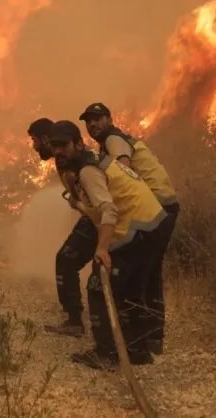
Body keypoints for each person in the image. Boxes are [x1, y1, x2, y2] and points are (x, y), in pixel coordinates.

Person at [48, 120, 166, 369]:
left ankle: (106, 354)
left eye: (64, 146)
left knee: (98, 286)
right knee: (129, 291)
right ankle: (138, 352)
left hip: (136, 227)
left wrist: (102, 249)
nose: (58, 151)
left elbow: (108, 212)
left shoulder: (88, 171)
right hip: (151, 223)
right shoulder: (90, 163)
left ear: (78, 144)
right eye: (54, 146)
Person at [79, 102, 178, 355]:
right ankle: (150, 338)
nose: (93, 124)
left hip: (158, 206)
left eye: (98, 119)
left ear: (110, 119)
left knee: (145, 273)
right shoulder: (113, 140)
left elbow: (125, 170)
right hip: (162, 204)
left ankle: (145, 339)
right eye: (88, 121)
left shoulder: (114, 140)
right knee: (149, 272)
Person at [27, 117, 96, 337]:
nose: (34, 146)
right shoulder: (65, 159)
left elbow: (89, 198)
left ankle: (75, 321)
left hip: (99, 217)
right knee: (68, 260)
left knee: (66, 259)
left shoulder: (71, 162)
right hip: (96, 214)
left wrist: (79, 205)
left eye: (35, 140)